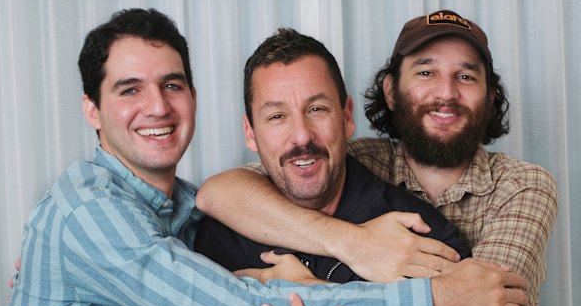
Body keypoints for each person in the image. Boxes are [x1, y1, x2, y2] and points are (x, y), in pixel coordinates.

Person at [5, 7, 526, 306]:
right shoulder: (91, 217)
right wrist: (434, 302)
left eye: (172, 85)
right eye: (129, 89)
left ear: (348, 118)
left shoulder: (186, 218)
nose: (158, 107)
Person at [195, 9, 556, 306]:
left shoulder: (520, 187)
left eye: (465, 76)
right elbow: (220, 193)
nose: (446, 92)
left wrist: (307, 292)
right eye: (426, 72)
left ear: (345, 118)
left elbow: (483, 302)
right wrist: (356, 244)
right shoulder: (356, 157)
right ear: (391, 91)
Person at [194, 28, 471, 284]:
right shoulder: (218, 237)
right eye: (277, 116)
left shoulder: (421, 235)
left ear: (347, 117)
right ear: (251, 133)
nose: (302, 136)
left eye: (317, 109)